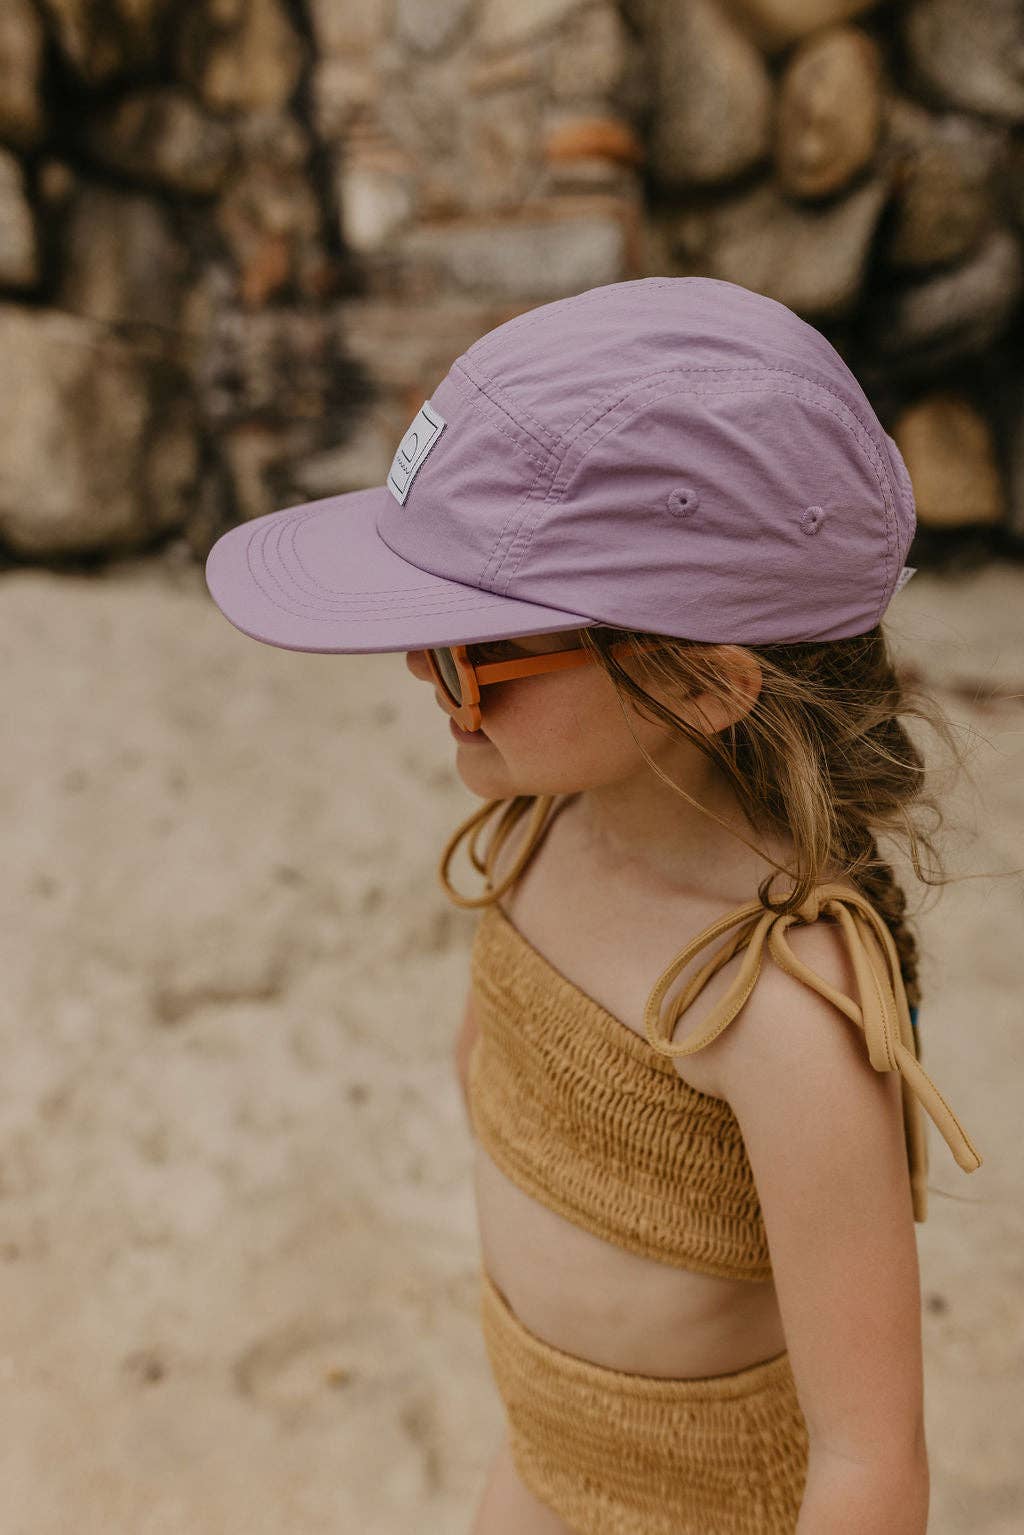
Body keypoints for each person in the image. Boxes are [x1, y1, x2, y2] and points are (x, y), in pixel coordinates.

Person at [205, 276, 984, 1535]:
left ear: (700, 680)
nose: (422, 671)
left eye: (472, 649)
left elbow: (869, 1458)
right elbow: (497, 1081)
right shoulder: (542, 827)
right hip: (541, 1463)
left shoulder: (779, 1008)